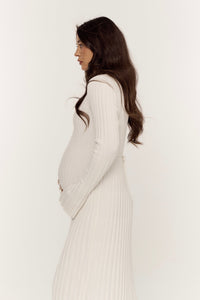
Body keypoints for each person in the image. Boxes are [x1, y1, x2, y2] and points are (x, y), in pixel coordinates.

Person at [52, 16, 144, 300]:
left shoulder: (101, 85)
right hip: (106, 197)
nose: (76, 53)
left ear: (99, 46)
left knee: (71, 287)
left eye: (82, 45)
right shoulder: (113, 84)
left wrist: (75, 194)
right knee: (106, 284)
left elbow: (107, 147)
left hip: (97, 199)